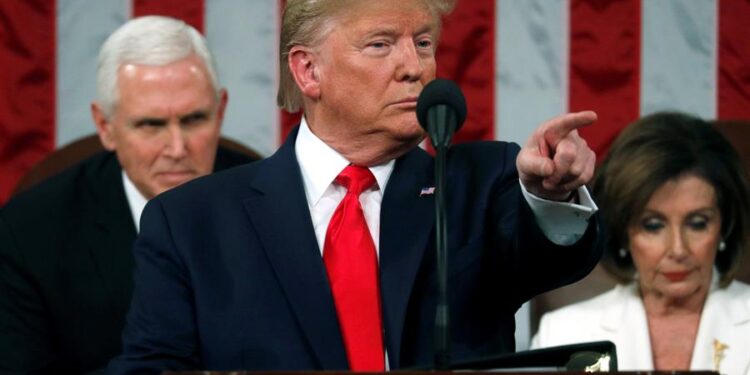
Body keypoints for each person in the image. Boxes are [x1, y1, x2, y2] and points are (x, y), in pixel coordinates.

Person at [109, 1, 601, 373]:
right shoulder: (192, 223)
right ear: (308, 70)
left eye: (424, 42)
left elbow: (549, 256)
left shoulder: (477, 184)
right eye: (381, 44)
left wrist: (552, 194)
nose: (415, 67)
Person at [0, 16, 258, 375]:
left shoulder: (276, 199)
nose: (177, 147)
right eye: (151, 125)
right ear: (106, 127)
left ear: (221, 111)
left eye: (194, 119)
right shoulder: (27, 232)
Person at [531, 112, 750, 374]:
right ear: (624, 232)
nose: (678, 250)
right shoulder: (565, 334)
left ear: (724, 227)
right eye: (653, 226)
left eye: (698, 223)